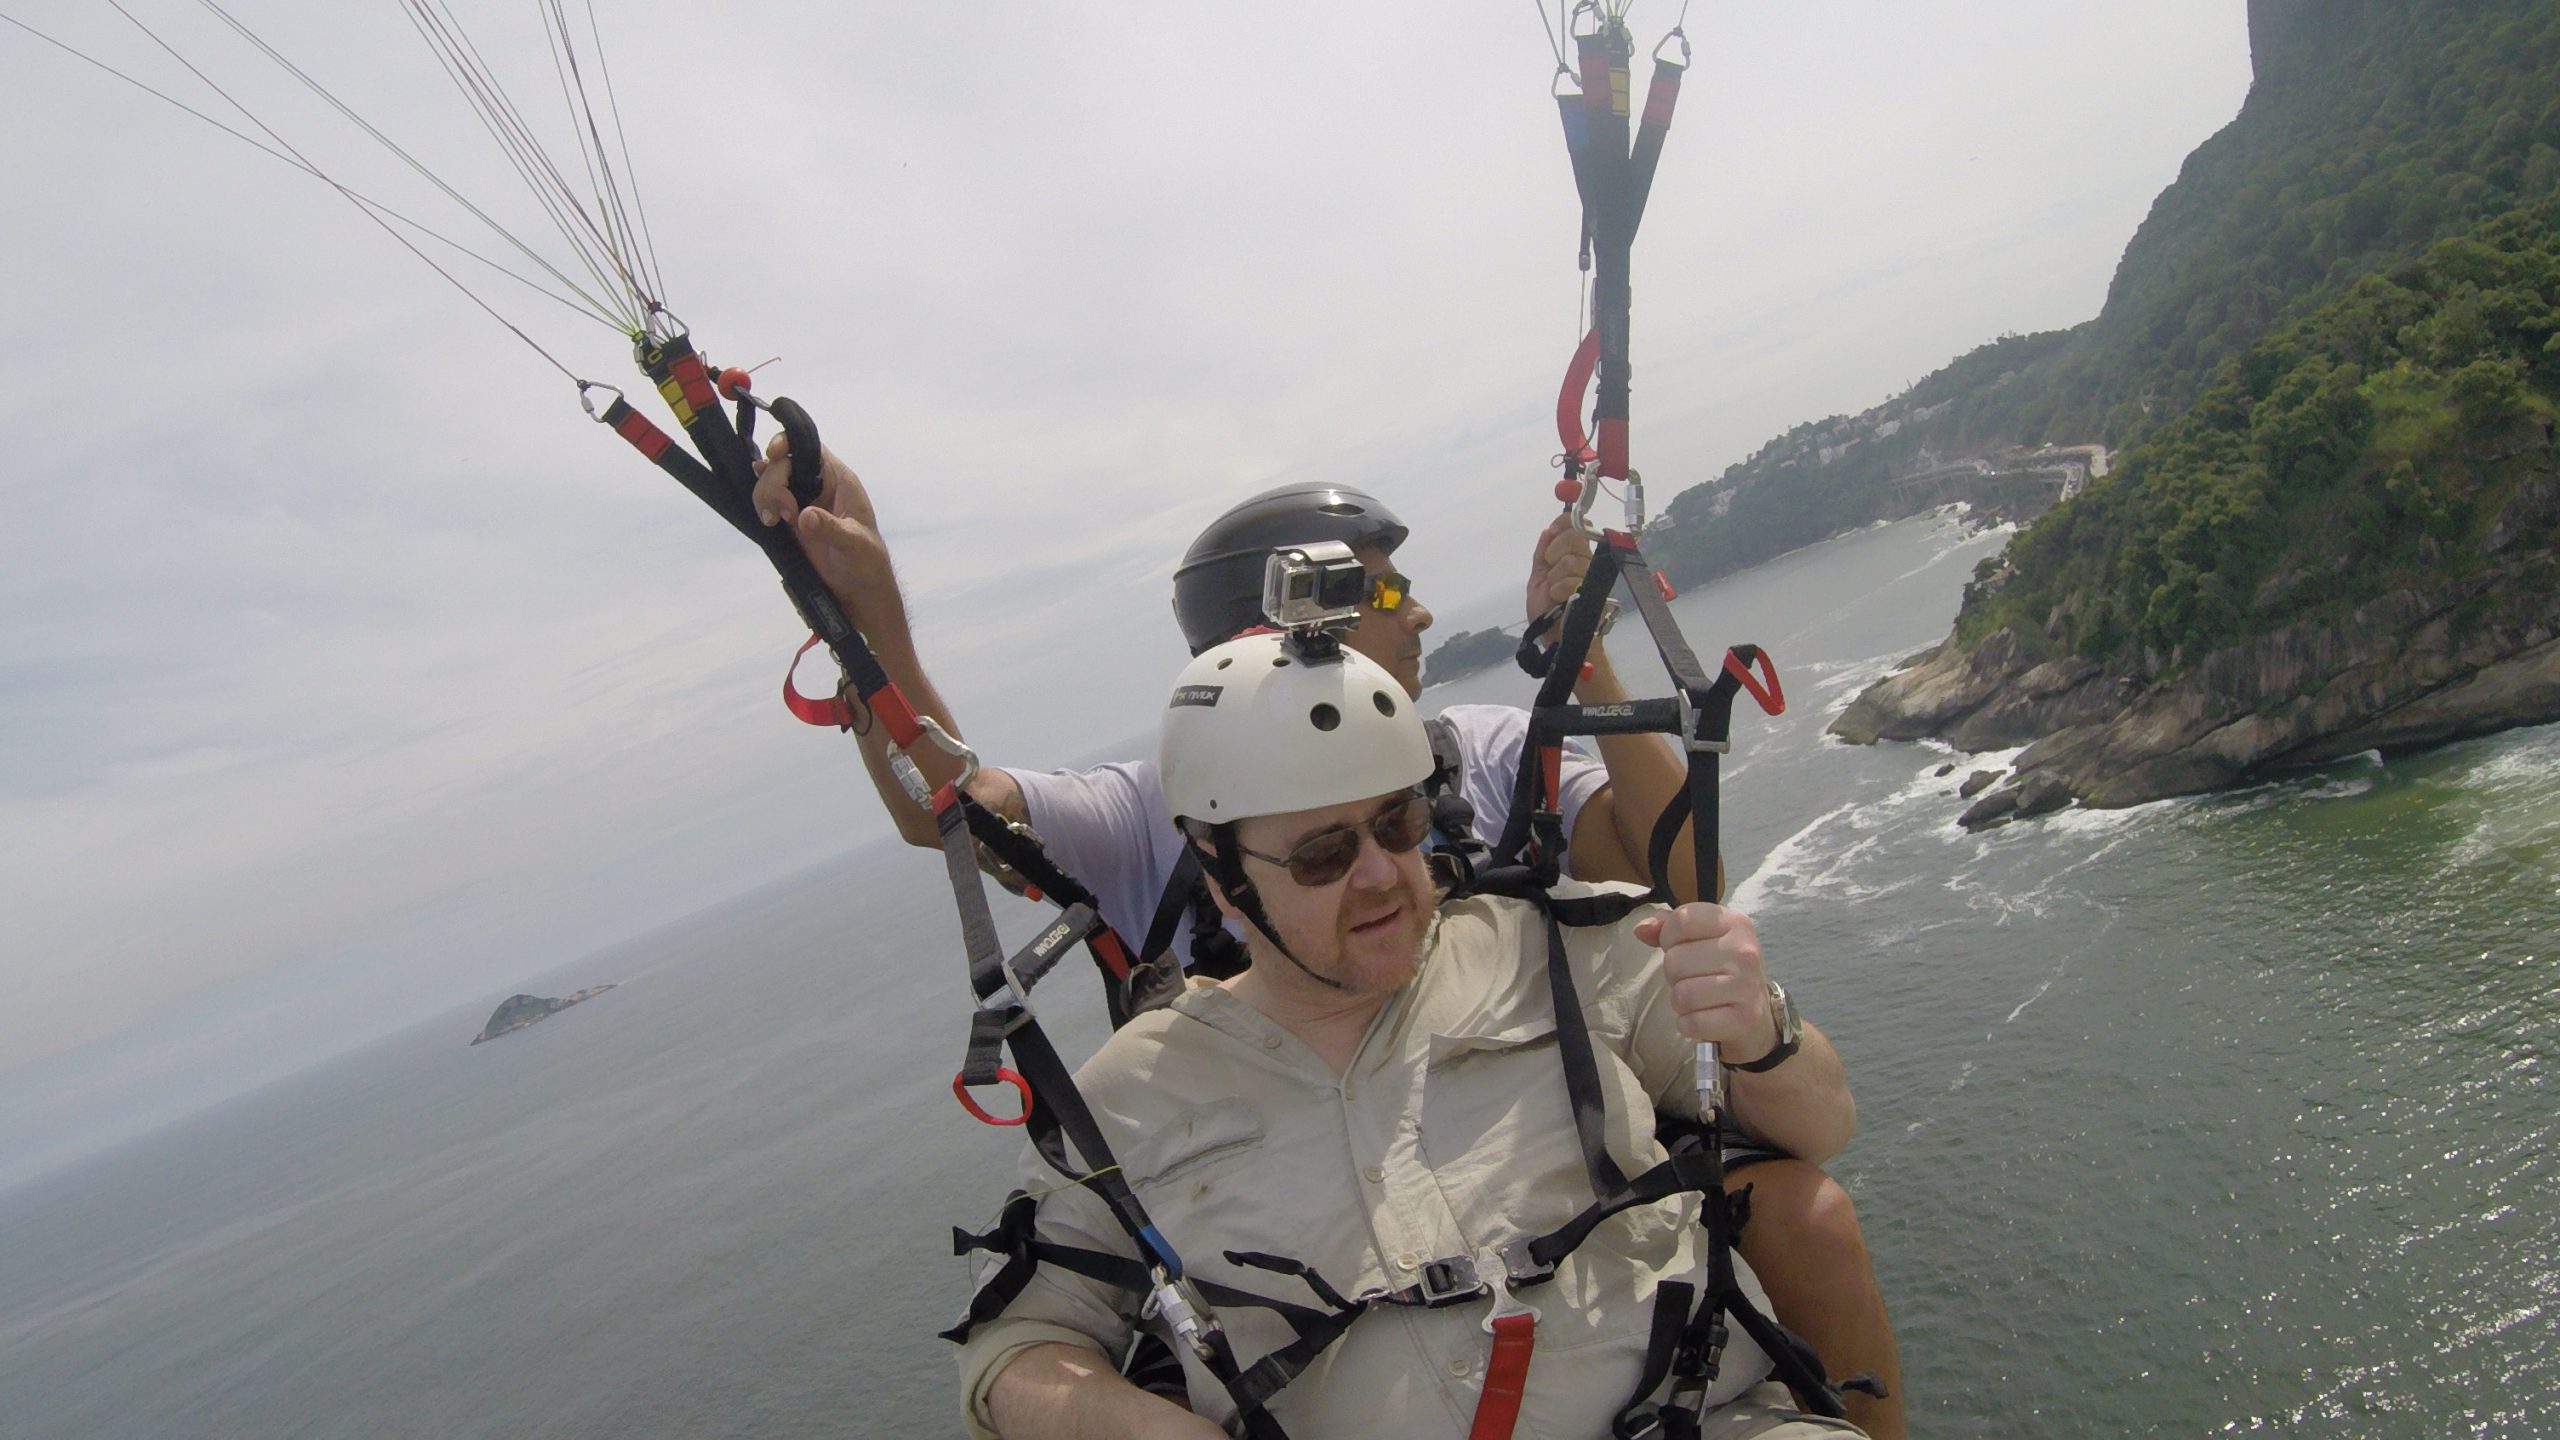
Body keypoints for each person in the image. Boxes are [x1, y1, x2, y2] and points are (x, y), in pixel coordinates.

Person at [751, 443, 1905, 1437]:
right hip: (1279, 1178)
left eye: (1398, 823)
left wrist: (1577, 655)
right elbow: (947, 803)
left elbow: (1676, 877)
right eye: (1388, 597)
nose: (1376, 872)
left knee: (1801, 1212)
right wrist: (864, 619)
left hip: (1536, 1118)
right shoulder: (1166, 818)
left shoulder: (1487, 767)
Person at [953, 633, 1866, 1439]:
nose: (1384, 874)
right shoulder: (1128, 1098)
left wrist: (1760, 1031)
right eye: (1323, 854)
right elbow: (1016, 1348)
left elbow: (1821, 1126)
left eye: (1399, 822)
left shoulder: (1566, 949)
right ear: (1222, 878)